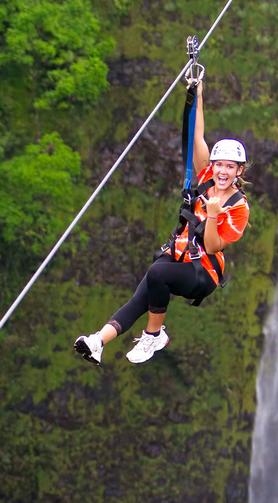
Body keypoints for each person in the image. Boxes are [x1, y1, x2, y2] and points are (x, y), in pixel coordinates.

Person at [73, 81, 250, 365]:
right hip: (177, 256)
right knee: (144, 292)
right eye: (219, 164)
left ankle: (153, 335)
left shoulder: (238, 207)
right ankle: (98, 341)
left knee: (157, 275)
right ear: (213, 166)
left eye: (230, 167)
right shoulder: (205, 179)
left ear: (239, 171)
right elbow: (197, 136)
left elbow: (214, 246)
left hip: (202, 274)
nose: (223, 171)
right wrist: (198, 96)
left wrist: (215, 214)